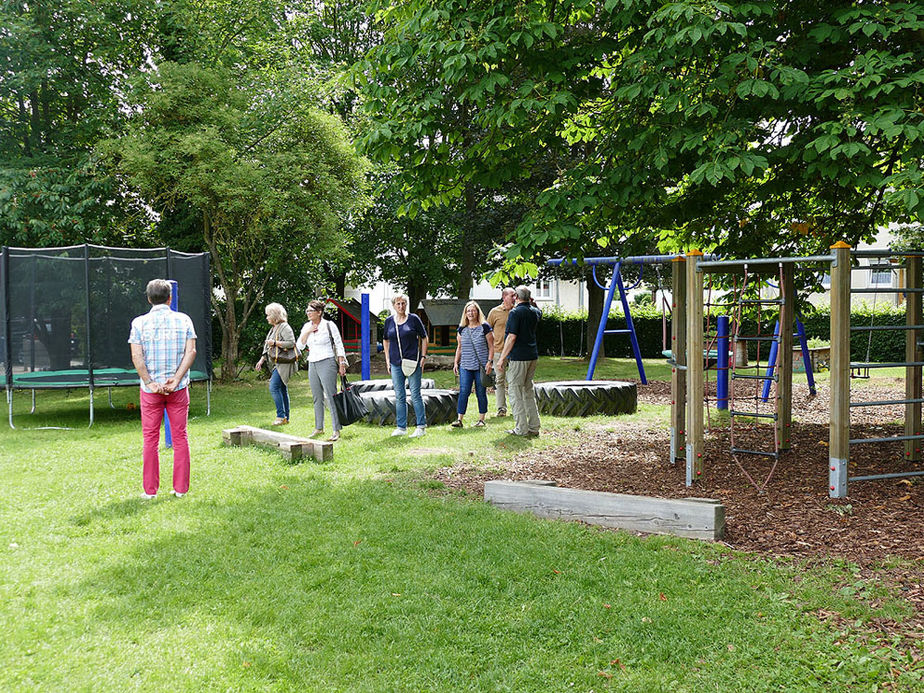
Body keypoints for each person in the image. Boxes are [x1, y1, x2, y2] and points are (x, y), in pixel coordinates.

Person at [128, 279, 197, 499]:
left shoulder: (139, 323)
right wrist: (176, 380)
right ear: (170, 297)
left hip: (150, 391)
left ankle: (150, 491)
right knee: (180, 437)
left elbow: (137, 356)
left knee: (150, 439)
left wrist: (149, 382)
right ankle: (180, 489)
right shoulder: (184, 319)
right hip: (177, 388)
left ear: (149, 298)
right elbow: (191, 352)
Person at [296, 300, 348, 442]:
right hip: (312, 362)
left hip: (327, 361)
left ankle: (336, 429)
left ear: (319, 312)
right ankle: (319, 427)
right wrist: (307, 332)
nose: (308, 313)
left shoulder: (329, 325)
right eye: (307, 311)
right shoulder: (306, 326)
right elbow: (299, 346)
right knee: (317, 396)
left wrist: (342, 363)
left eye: (311, 311)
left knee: (331, 396)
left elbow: (339, 344)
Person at [496, 285, 541, 437]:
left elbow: (511, 337)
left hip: (519, 357)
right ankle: (534, 427)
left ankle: (521, 429)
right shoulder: (535, 311)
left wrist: (502, 358)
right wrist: (532, 302)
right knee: (528, 391)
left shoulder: (515, 313)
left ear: (516, 297)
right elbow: (538, 311)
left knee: (515, 392)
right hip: (532, 356)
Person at [382, 294, 429, 438]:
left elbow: (424, 337)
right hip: (396, 362)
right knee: (400, 395)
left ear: (406, 304)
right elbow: (385, 340)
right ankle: (401, 427)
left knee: (415, 394)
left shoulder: (414, 319)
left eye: (403, 303)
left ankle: (421, 426)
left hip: (412, 362)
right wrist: (387, 360)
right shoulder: (389, 321)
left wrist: (423, 357)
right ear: (394, 305)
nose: (401, 306)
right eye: (398, 304)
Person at [254, 303, 297, 426]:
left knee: (273, 387)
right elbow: (267, 347)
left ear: (274, 315)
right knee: (282, 389)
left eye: (268, 315)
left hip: (283, 363)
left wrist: (275, 343)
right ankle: (285, 418)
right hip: (276, 364)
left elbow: (291, 343)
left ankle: (280, 416)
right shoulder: (273, 328)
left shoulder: (284, 327)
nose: (266, 317)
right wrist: (262, 360)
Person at [452, 301, 494, 428]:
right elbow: (459, 347)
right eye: (468, 311)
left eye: (473, 310)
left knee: (481, 392)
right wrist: (455, 363)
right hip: (465, 365)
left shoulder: (485, 327)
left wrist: (489, 362)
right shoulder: (461, 329)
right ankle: (459, 419)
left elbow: (491, 346)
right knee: (464, 391)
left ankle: (481, 419)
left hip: (481, 366)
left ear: (478, 312)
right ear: (465, 313)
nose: (471, 313)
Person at [486, 287, 516, 417]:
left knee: (515, 380)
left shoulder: (517, 311)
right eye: (512, 296)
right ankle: (501, 409)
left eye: (515, 295)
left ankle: (516, 407)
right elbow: (487, 330)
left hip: (515, 352)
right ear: (504, 297)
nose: (515, 298)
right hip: (498, 351)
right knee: (499, 380)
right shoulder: (495, 312)